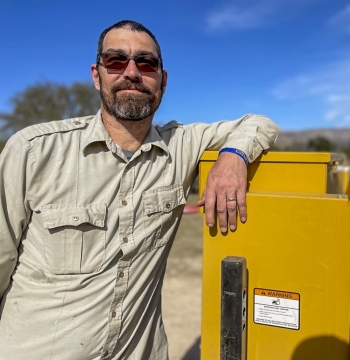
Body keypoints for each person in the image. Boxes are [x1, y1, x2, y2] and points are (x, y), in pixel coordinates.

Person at [0, 20, 279, 359]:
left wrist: (233, 156)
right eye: (117, 60)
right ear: (96, 74)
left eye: (146, 63)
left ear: (162, 79)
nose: (132, 72)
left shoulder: (182, 145)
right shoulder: (32, 151)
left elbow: (260, 123)